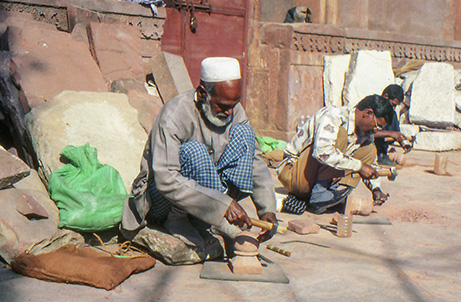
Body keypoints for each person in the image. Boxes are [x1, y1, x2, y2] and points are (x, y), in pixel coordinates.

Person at [120, 57, 278, 251]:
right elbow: (165, 179)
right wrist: (221, 203)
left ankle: (217, 218)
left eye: (233, 105)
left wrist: (267, 209)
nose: (229, 112)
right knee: (194, 151)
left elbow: (255, 161)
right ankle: (181, 221)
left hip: (208, 194)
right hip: (163, 202)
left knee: (245, 134)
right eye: (222, 106)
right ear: (203, 94)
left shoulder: (233, 110)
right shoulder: (174, 116)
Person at [277, 94, 393, 214]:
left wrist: (375, 188)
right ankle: (319, 194)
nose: (376, 131)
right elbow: (323, 153)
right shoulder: (334, 115)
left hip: (315, 178)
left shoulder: (365, 133)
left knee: (369, 149)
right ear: (368, 113)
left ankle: (330, 193)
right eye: (377, 125)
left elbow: (370, 165)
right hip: (295, 173)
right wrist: (359, 166)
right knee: (340, 136)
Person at [373, 84, 408, 166]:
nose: (394, 108)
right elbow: (368, 133)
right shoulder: (372, 109)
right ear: (386, 96)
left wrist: (403, 143)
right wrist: (391, 134)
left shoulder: (392, 113)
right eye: (393, 104)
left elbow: (395, 133)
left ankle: (382, 154)